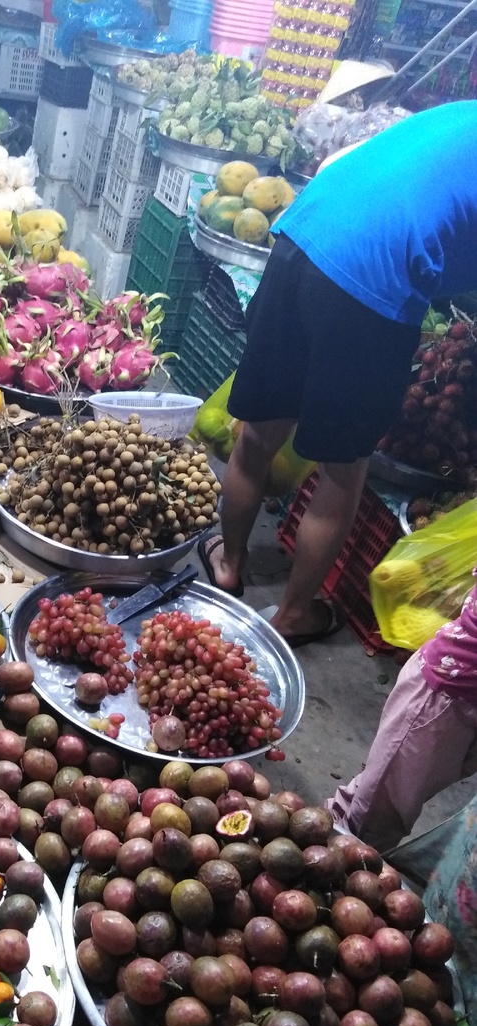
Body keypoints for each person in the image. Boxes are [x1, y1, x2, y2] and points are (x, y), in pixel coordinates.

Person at [199, 100, 477, 647]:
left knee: (257, 435)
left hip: (303, 234)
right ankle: (294, 614)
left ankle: (229, 566)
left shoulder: (459, 114)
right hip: (373, 284)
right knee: (342, 472)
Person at [326, 568, 477, 851]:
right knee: (378, 816)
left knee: (383, 788)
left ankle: (333, 833)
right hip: (446, 695)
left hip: (462, 698)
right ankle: (339, 863)